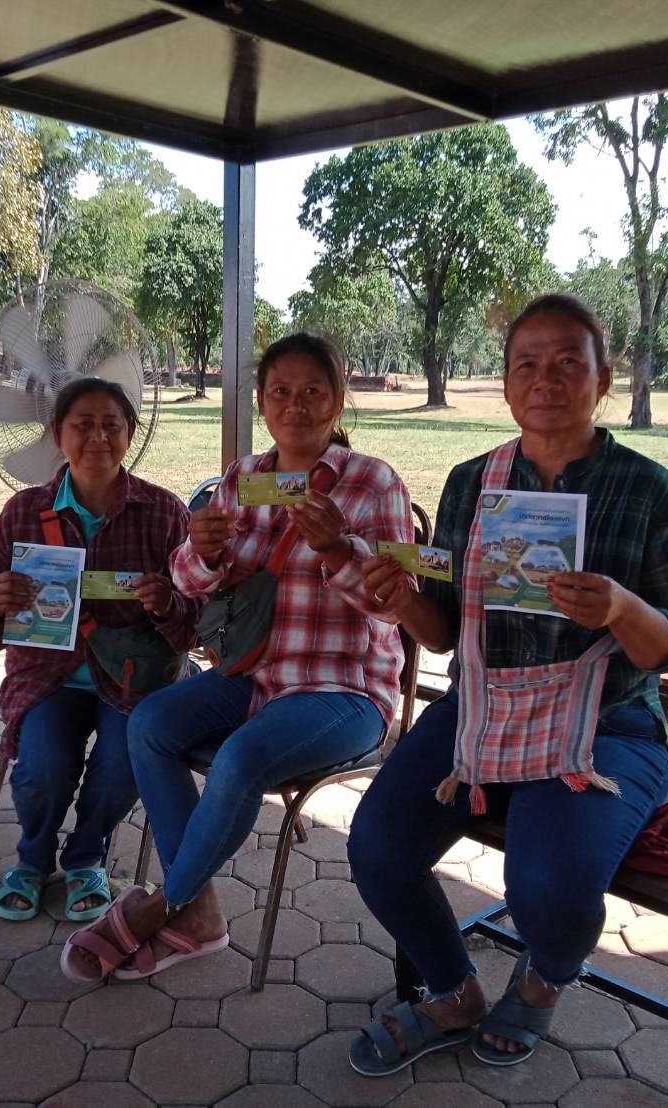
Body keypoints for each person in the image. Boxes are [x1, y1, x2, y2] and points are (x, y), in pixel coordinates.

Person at [346, 295, 668, 1074]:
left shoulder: (646, 489)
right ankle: (452, 991)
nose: (546, 380)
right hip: (482, 709)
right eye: (527, 365)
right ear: (507, 384)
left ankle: (543, 978)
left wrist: (622, 609)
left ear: (602, 379)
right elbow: (443, 630)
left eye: (567, 362)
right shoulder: (471, 483)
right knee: (377, 847)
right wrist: (400, 599)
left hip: (605, 722)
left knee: (546, 887)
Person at [60, 332, 415, 982]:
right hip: (252, 672)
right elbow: (189, 584)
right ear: (261, 401)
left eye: (312, 391)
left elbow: (397, 605)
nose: (296, 405)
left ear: (337, 401)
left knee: (241, 757)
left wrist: (338, 549)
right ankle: (198, 912)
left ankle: (162, 906)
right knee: (150, 723)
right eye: (280, 391)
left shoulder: (373, 483)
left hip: (345, 690)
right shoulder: (244, 479)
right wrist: (202, 551)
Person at [0, 377, 198, 924]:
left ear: (131, 433)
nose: (98, 438)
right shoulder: (24, 513)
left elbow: (197, 624)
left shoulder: (163, 513)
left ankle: (86, 857)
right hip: (49, 676)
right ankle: (32, 860)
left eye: (111, 425)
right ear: (57, 433)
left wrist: (168, 604)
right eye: (83, 425)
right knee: (42, 768)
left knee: (123, 765)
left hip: (134, 681)